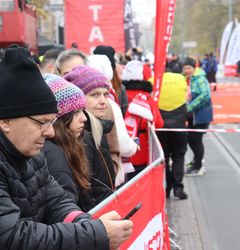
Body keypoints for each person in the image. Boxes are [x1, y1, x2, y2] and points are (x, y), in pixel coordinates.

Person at [0, 45, 132, 249]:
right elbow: (12, 237)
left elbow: (57, 202)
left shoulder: (33, 154)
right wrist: (94, 233)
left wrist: (87, 223)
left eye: (52, 122)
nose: (50, 132)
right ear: (5, 122)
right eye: (41, 122)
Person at [43, 74, 115, 212]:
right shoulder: (53, 153)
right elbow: (64, 211)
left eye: (82, 111)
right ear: (58, 119)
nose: (83, 118)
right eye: (76, 113)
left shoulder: (68, 146)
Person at [122, 60, 164, 180]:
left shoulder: (118, 95)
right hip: (141, 150)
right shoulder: (147, 99)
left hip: (119, 149)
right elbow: (159, 123)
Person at [155, 68, 189, 199]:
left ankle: (168, 186)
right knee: (179, 157)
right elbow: (187, 97)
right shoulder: (181, 79)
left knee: (165, 158)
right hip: (179, 125)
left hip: (161, 126)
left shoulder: (154, 80)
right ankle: (178, 187)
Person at [183, 57, 213, 176]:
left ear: (194, 68)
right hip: (192, 115)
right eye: (185, 68)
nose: (186, 70)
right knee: (191, 139)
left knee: (195, 140)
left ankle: (198, 166)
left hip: (201, 115)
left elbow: (205, 95)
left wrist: (190, 107)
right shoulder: (185, 78)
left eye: (189, 68)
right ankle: (196, 160)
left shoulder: (200, 79)